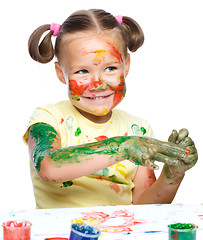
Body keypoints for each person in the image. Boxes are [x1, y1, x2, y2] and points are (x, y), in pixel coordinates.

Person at [23, 9, 198, 209]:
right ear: (61, 73)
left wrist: (172, 175)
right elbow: (48, 168)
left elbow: (145, 206)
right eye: (82, 71)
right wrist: (124, 147)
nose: (98, 83)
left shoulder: (137, 130)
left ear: (127, 65)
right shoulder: (47, 118)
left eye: (110, 68)